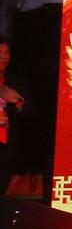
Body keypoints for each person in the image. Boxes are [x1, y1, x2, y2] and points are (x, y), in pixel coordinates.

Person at [0, 35, 26, 196]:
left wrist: (18, 102)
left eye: (6, 52)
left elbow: (32, 117)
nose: (4, 56)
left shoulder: (15, 83)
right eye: (0, 52)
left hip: (6, 147)